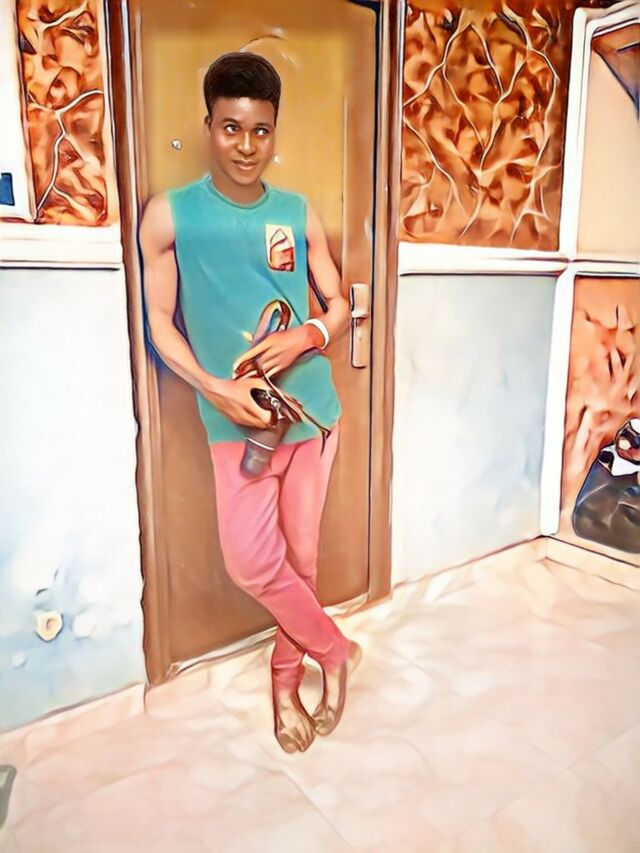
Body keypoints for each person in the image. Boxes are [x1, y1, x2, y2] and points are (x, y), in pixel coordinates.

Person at [139, 52, 362, 753]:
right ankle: (335, 649)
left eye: (260, 130)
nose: (245, 145)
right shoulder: (170, 216)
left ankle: (285, 683)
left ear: (274, 131)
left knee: (302, 560)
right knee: (251, 562)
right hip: (236, 422)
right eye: (230, 128)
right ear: (209, 125)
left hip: (312, 416)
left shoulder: (296, 213)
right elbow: (160, 324)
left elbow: (340, 305)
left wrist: (308, 334)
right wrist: (217, 389)